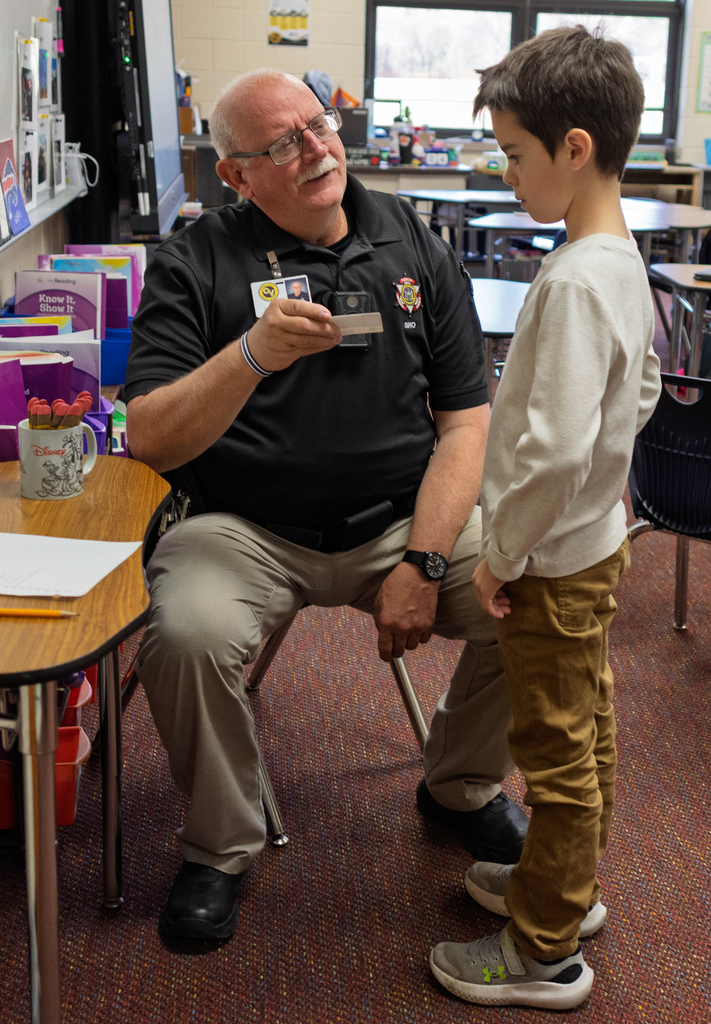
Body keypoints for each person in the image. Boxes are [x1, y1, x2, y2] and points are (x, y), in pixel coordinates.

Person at [124, 69, 528, 943]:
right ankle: (219, 845)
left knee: (530, 593)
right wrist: (252, 357)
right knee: (184, 633)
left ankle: (458, 783)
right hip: (244, 529)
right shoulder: (193, 261)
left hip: (398, 518)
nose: (316, 149)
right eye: (281, 144)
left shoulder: (410, 237)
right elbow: (149, 436)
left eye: (318, 125)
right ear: (234, 175)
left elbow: (464, 425)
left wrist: (423, 561)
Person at [429, 27, 662, 1009]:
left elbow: (551, 450)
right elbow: (640, 387)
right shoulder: (613, 256)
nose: (506, 174)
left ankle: (542, 949)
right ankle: (563, 887)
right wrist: (597, 467)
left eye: (513, 156)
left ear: (573, 149)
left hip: (549, 560)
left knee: (554, 750)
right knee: (588, 723)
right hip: (593, 538)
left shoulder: (570, 282)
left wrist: (502, 555)